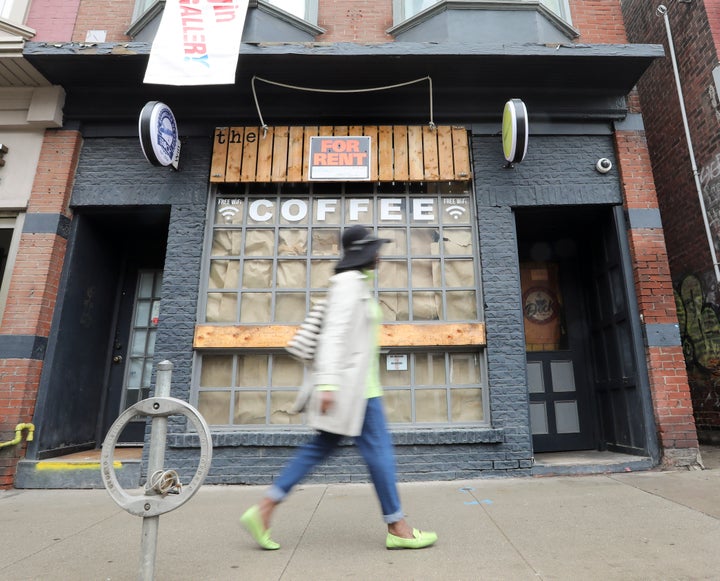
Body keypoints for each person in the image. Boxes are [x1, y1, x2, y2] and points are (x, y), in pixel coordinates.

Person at [240, 225, 437, 551]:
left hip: (354, 386)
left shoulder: (356, 282)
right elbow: (333, 335)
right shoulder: (348, 285)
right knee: (380, 455)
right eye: (375, 250)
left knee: (322, 448)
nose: (380, 255)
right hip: (355, 389)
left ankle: (265, 507)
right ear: (364, 252)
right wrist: (329, 384)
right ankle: (398, 527)